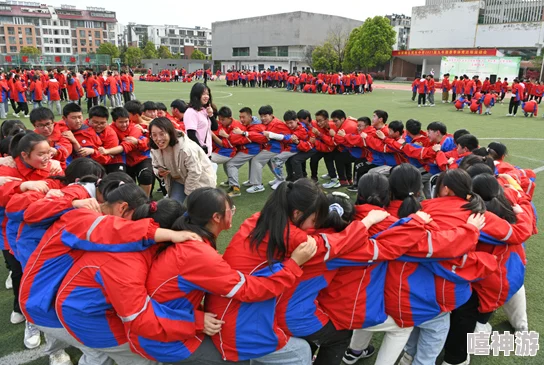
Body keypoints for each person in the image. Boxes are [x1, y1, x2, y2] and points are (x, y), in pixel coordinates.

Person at [134, 187, 317, 364]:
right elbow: (247, 290)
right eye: (231, 209)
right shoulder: (197, 253)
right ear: (216, 217)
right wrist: (293, 264)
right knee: (241, 358)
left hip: (165, 327)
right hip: (163, 338)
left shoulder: (192, 242)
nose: (233, 212)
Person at [149, 117, 216, 203]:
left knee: (196, 209)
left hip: (200, 179)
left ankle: (212, 168)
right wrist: (159, 172)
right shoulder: (155, 148)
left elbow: (195, 172)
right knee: (174, 207)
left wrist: (188, 193)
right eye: (154, 135)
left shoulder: (186, 148)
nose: (158, 139)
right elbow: (155, 165)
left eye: (162, 134)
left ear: (170, 132)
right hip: (178, 180)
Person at [184, 83, 217, 157]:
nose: (206, 97)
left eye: (207, 94)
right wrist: (200, 150)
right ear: (196, 95)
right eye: (203, 94)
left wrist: (211, 115)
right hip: (197, 154)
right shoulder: (191, 112)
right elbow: (191, 135)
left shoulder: (204, 110)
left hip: (206, 153)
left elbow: (214, 128)